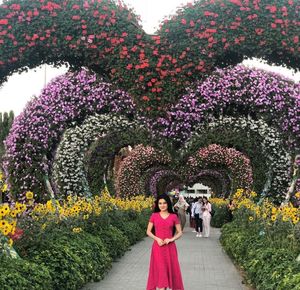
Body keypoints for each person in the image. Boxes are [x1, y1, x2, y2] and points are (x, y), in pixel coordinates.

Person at [146, 193, 184, 290]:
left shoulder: (173, 216)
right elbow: (148, 231)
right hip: (158, 247)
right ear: (157, 205)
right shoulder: (154, 215)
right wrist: (157, 239)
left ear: (168, 204)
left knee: (170, 270)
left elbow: (180, 232)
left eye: (164, 203)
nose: (162, 205)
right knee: (161, 272)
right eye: (160, 203)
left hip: (170, 248)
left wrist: (171, 239)